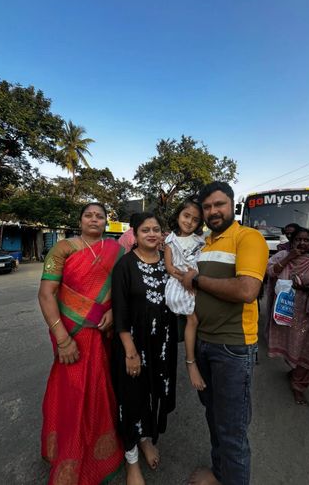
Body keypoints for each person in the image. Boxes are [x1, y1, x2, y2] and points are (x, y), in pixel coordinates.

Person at [181, 181, 269, 485]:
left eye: (219, 204)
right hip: (205, 343)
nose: (213, 211)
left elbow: (247, 290)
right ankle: (220, 475)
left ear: (232, 205)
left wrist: (197, 280)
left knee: (232, 431)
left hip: (233, 349)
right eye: (207, 207)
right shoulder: (205, 243)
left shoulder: (249, 238)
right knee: (215, 419)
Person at [38, 203, 124, 485]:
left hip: (101, 337)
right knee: (72, 393)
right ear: (80, 220)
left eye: (100, 216)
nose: (94, 219)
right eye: (89, 214)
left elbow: (123, 289)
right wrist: (62, 339)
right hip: (71, 336)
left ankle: (97, 451)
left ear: (106, 222)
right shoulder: (63, 248)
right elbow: (46, 294)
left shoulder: (116, 251)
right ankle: (69, 452)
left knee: (99, 390)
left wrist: (113, 311)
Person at [111, 212, 178, 485]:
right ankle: (131, 462)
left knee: (153, 395)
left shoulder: (168, 264)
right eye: (145, 230)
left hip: (161, 346)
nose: (152, 234)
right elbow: (120, 312)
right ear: (135, 235)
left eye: (156, 229)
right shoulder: (125, 266)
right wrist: (130, 351)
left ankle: (146, 439)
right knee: (132, 400)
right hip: (133, 347)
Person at [267, 227, 309, 406]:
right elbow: (270, 272)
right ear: (292, 243)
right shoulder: (282, 257)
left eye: (306, 240)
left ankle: (299, 386)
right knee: (292, 346)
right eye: (298, 240)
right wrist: (289, 257)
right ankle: (295, 373)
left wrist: (308, 288)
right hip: (287, 312)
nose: (302, 243)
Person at [164, 199, 206, 390]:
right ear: (178, 215)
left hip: (197, 282)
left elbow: (203, 263)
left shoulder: (200, 241)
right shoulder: (170, 241)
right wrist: (184, 279)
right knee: (193, 320)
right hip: (180, 285)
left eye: (195, 220)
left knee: (198, 319)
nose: (189, 222)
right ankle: (191, 361)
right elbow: (169, 267)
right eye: (186, 216)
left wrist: (195, 276)